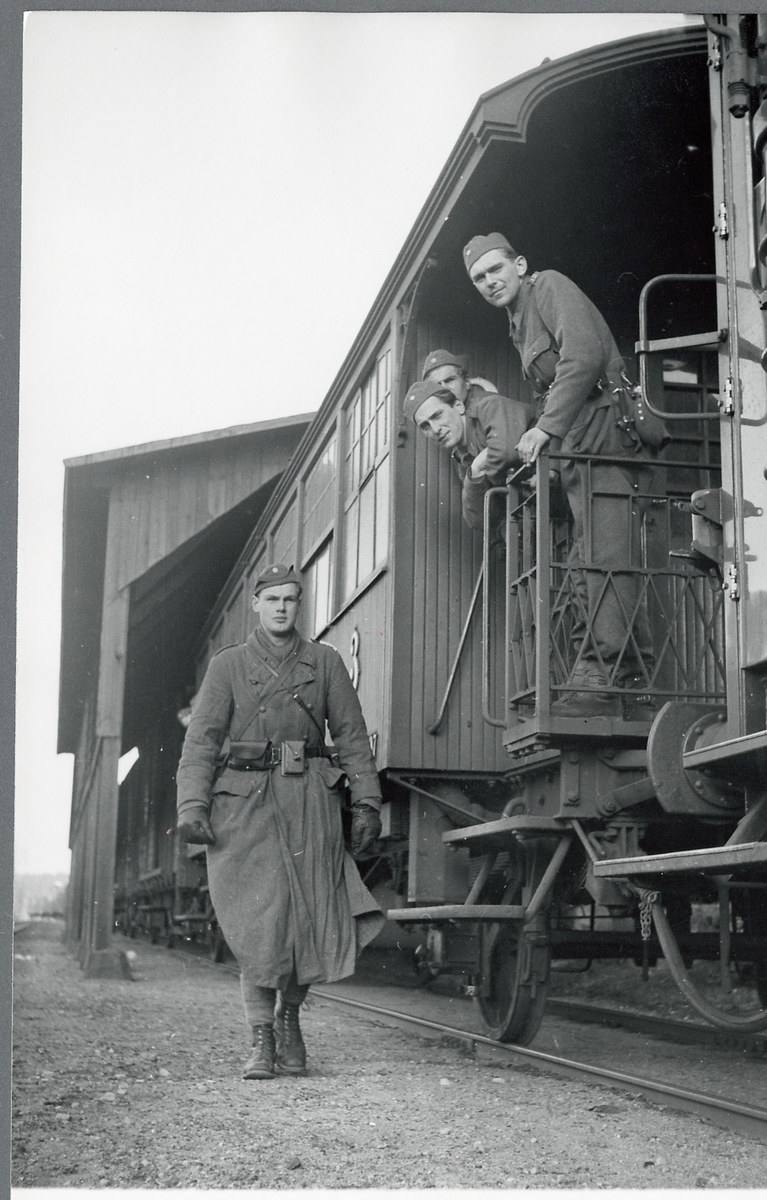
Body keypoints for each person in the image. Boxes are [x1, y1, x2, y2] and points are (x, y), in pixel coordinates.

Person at [175, 564, 384, 1080]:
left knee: (308, 917)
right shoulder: (228, 667)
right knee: (259, 922)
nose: (282, 608)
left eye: (291, 599)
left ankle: (289, 1018)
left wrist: (367, 803)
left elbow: (355, 740)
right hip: (245, 806)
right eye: (273, 600)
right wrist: (191, 807)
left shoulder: (326, 662)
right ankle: (260, 1038)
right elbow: (200, 743)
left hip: (310, 801)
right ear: (257, 604)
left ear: (298, 604)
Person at [463, 232, 664, 719]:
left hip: (605, 443)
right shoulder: (517, 321)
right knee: (588, 559)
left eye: (496, 269)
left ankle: (600, 674)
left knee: (604, 556)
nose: (490, 281)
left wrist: (545, 430)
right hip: (578, 452)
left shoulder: (548, 287)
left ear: (520, 263)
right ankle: (627, 676)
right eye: (479, 278)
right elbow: (544, 393)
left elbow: (584, 357)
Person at [403, 368, 533, 530]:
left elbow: (505, 452)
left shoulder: (489, 407)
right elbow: (478, 519)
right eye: (425, 426)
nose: (435, 429)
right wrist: (476, 468)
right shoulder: (462, 459)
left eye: (437, 416)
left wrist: (480, 475)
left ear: (458, 406)